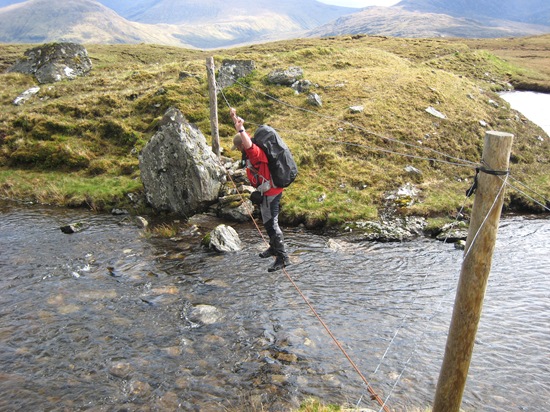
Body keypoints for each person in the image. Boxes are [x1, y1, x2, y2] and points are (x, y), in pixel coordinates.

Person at [230, 108, 290, 272]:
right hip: (266, 191)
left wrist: (240, 129)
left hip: (272, 192)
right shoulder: (251, 152)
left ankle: (283, 258)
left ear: (242, 145)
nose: (239, 152)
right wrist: (234, 118)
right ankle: (273, 247)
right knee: (267, 221)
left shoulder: (254, 152)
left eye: (239, 148)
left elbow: (248, 145)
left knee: (272, 225)